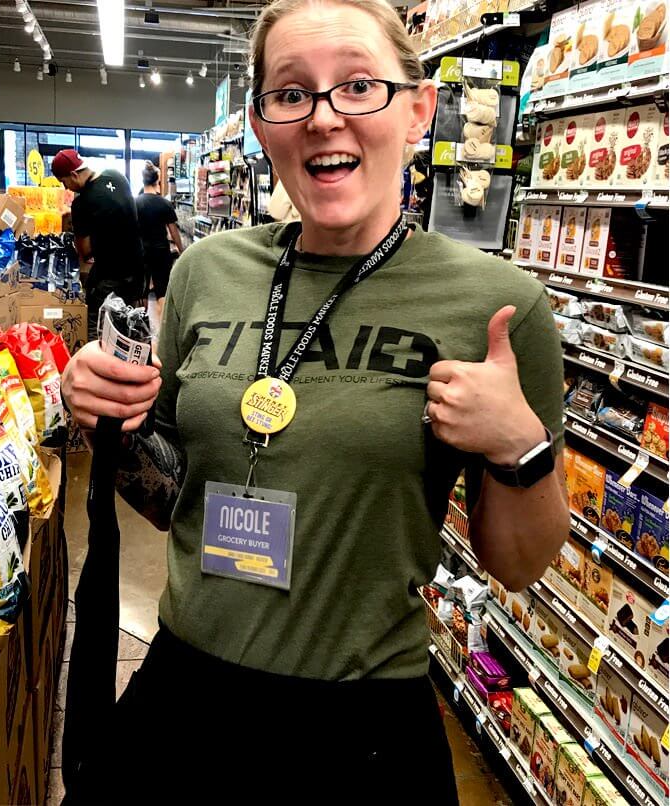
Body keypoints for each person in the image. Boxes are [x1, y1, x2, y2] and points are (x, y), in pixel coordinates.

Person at [61, 0, 569, 799]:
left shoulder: (496, 305)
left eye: (358, 85)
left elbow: (519, 563)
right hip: (185, 697)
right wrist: (104, 416)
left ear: (418, 111)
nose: (324, 118)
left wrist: (518, 447)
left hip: (363, 728)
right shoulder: (206, 273)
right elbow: (169, 496)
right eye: (292, 93)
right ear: (262, 126)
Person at [51, 149, 145, 340]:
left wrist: (73, 226)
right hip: (137, 272)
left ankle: (100, 360)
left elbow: (85, 251)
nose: (66, 188)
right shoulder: (117, 176)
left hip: (110, 277)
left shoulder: (81, 203)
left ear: (74, 174)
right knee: (126, 328)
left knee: (99, 331)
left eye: (64, 182)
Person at [135, 160, 184, 319]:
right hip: (161, 252)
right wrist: (181, 250)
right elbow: (173, 232)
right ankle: (163, 327)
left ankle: (140, 326)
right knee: (162, 291)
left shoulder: (135, 203)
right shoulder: (164, 203)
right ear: (157, 181)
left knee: (141, 292)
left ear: (143, 180)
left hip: (141, 252)